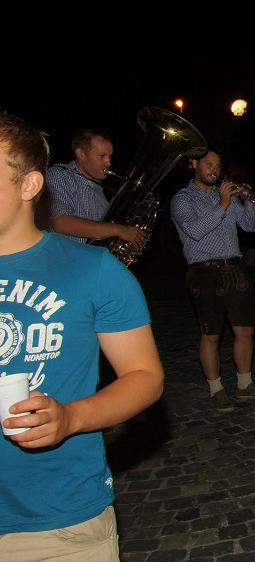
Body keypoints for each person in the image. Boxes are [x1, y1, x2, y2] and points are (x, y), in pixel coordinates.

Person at [0, 112, 164, 561]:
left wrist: (69, 419)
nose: (110, 163)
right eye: (103, 155)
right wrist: (115, 229)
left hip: (55, 521)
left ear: (29, 186)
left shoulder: (96, 272)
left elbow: (145, 376)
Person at [170, 148, 255, 412]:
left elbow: (250, 227)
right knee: (211, 334)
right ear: (194, 165)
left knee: (245, 330)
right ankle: (216, 389)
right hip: (204, 271)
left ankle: (245, 384)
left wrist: (249, 201)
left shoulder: (226, 195)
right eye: (208, 164)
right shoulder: (182, 199)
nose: (214, 169)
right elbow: (194, 231)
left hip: (234, 268)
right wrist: (222, 203)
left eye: (217, 164)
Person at [43, 127, 147, 250]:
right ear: (81, 153)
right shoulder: (59, 174)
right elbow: (61, 222)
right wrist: (119, 230)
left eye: (109, 156)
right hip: (62, 262)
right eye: (102, 156)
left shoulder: (98, 189)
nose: (108, 162)